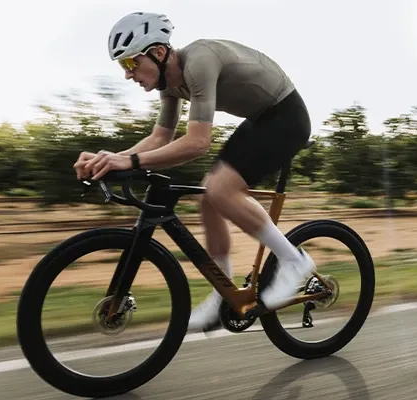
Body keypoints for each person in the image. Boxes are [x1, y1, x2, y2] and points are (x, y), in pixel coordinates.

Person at [75, 12, 315, 331]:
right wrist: (112, 159)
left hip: (286, 116)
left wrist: (129, 162)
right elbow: (160, 138)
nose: (127, 75)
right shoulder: (170, 86)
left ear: (158, 53)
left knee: (220, 189)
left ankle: (294, 260)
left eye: (130, 63)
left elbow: (198, 143)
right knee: (208, 197)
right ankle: (224, 295)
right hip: (260, 120)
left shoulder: (199, 60)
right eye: (123, 66)